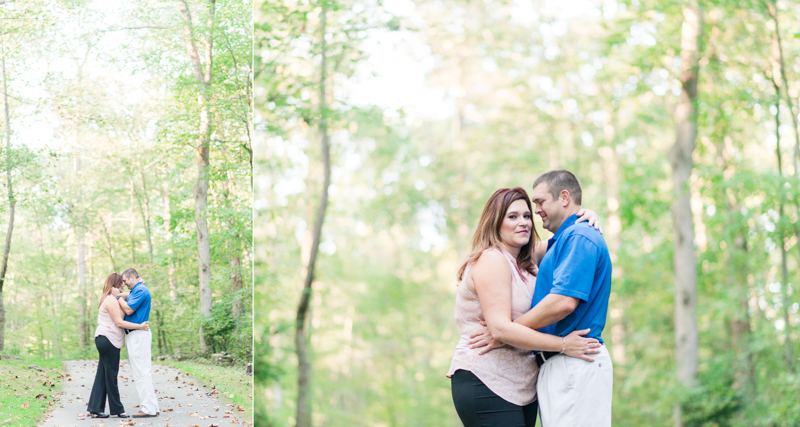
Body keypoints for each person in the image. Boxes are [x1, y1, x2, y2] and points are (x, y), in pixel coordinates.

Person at [447, 187, 603, 427]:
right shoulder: (492, 259)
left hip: (523, 387)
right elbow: (500, 330)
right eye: (512, 216)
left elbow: (567, 240)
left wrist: (586, 215)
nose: (523, 223)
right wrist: (563, 345)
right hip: (486, 380)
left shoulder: (526, 259)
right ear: (495, 222)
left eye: (527, 216)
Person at [87, 273, 149, 419]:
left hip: (105, 339)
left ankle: (95, 408)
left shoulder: (113, 297)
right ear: (115, 285)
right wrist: (139, 326)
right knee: (111, 375)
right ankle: (118, 410)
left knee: (102, 374)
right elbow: (119, 323)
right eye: (121, 283)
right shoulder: (111, 300)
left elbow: (128, 294)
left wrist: (139, 285)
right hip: (108, 339)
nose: (123, 285)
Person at [114, 268, 160, 418]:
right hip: (137, 334)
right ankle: (152, 406)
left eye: (125, 281)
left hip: (138, 335)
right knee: (142, 370)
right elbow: (126, 295)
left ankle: (148, 408)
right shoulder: (137, 289)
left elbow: (128, 310)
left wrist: (117, 298)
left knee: (141, 372)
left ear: (132, 277)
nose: (124, 284)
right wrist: (118, 294)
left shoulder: (140, 290)